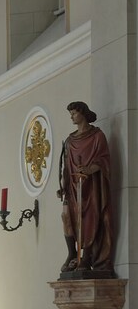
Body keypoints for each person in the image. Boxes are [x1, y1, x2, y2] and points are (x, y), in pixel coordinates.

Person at [57, 101, 114, 273]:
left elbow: (104, 159)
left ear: (83, 113)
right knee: (66, 216)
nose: (72, 116)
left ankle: (86, 256)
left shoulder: (97, 136)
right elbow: (66, 167)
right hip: (73, 187)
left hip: (91, 188)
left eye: (74, 113)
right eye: (71, 114)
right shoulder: (69, 140)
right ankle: (72, 253)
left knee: (89, 219)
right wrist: (63, 186)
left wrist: (90, 169)